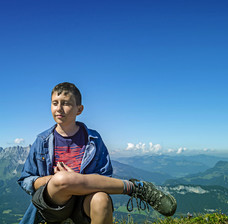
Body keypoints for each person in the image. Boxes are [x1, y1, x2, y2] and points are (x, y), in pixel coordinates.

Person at [17, 82, 176, 224]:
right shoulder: (42, 140)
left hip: (84, 202)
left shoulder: (93, 139)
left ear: (79, 109)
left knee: (102, 200)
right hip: (54, 205)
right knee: (63, 179)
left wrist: (77, 181)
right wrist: (57, 180)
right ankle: (133, 188)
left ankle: (136, 188)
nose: (59, 108)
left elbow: (104, 179)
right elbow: (26, 179)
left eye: (66, 104)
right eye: (54, 103)